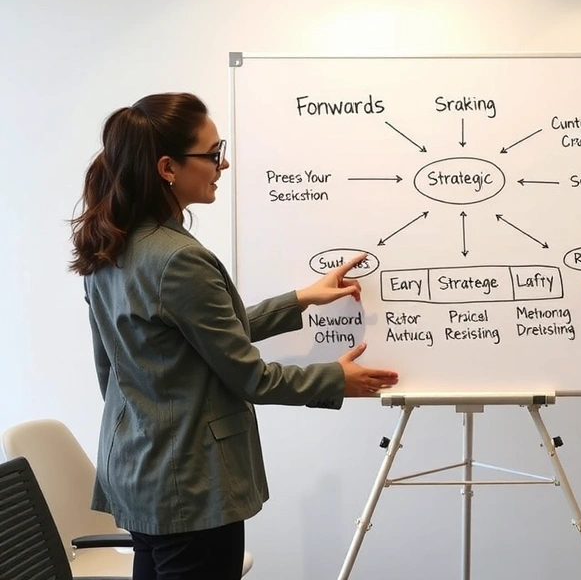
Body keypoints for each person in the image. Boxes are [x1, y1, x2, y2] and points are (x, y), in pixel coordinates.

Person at [69, 92, 400, 580]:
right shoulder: (179, 259)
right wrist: (337, 379)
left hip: (139, 472)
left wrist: (301, 299)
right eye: (213, 153)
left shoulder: (111, 244)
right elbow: (251, 378)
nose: (223, 165)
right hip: (191, 484)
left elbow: (123, 364)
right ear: (168, 168)